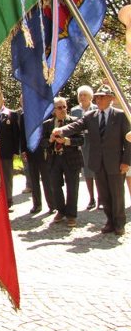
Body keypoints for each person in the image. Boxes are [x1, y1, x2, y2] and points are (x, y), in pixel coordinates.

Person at [52, 84, 130, 236]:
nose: (99, 99)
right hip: (97, 162)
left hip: (116, 162)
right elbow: (76, 125)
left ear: (111, 99)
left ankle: (119, 223)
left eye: (102, 97)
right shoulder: (90, 116)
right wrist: (61, 130)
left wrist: (126, 161)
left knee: (117, 194)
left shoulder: (120, 116)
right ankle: (109, 221)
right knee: (104, 194)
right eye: (98, 97)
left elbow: (128, 141)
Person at [46, 97, 84, 228]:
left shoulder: (74, 122)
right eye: (59, 108)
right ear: (53, 110)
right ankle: (60, 211)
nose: (62, 110)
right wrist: (50, 140)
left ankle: (71, 215)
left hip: (71, 158)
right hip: (55, 159)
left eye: (64, 107)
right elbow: (41, 144)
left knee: (72, 187)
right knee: (55, 186)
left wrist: (67, 141)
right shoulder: (48, 124)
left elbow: (82, 140)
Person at [70, 85, 98, 209]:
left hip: (96, 142)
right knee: (87, 170)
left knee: (97, 169)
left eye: (85, 95)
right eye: (80, 95)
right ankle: (91, 198)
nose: (82, 97)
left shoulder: (96, 108)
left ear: (91, 96)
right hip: (82, 143)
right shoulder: (75, 110)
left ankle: (101, 197)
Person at [0, 102, 20, 209]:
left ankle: (8, 199)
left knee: (7, 175)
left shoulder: (11, 114)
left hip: (6, 150)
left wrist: (15, 151)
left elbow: (15, 134)